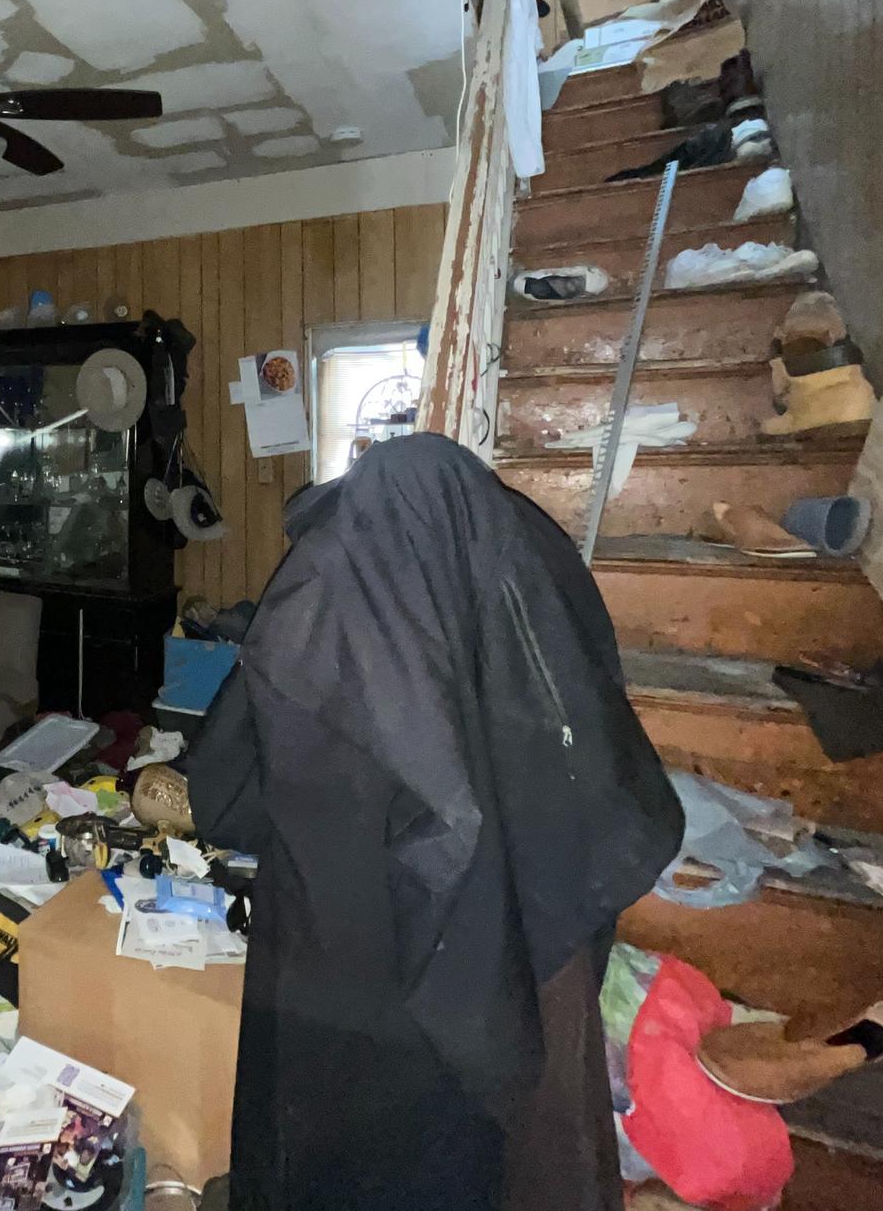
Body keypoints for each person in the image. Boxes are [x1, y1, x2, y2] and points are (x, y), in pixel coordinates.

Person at [188, 433, 682, 1211]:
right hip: (492, 956)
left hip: (351, 980)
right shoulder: (506, 567)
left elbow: (230, 789)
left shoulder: (332, 602)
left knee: (353, 1141)